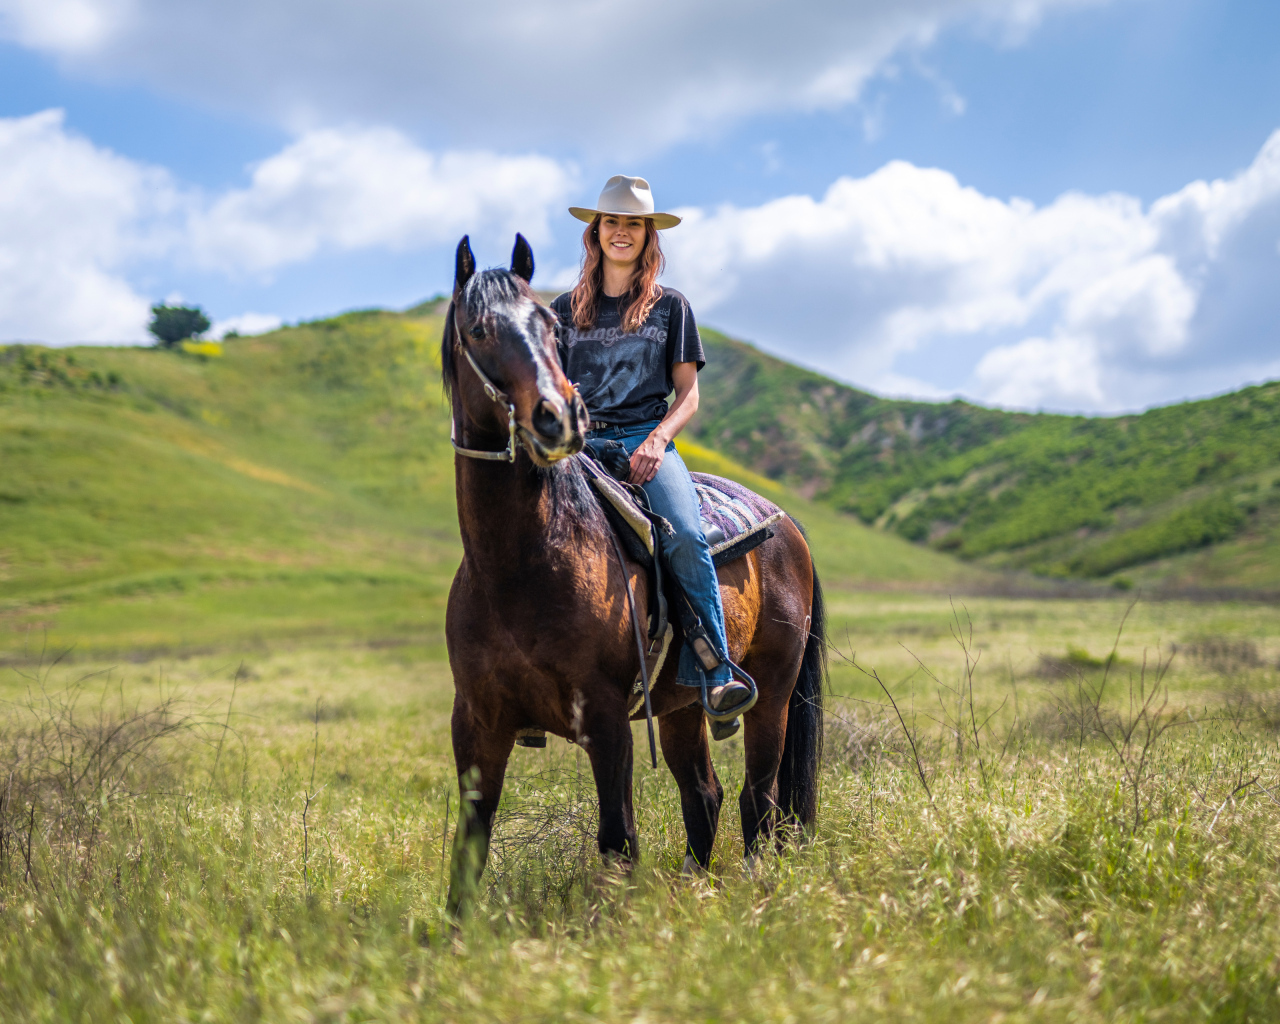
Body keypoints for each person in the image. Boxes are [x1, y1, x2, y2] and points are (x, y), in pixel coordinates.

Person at [551, 175, 753, 722]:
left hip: (646, 443)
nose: (621, 233)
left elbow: (688, 395)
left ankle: (715, 671)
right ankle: (527, 683)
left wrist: (658, 442)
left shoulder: (671, 307)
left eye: (633, 224)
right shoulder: (563, 312)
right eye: (612, 222)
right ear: (596, 232)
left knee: (685, 536)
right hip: (580, 449)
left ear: (648, 235)